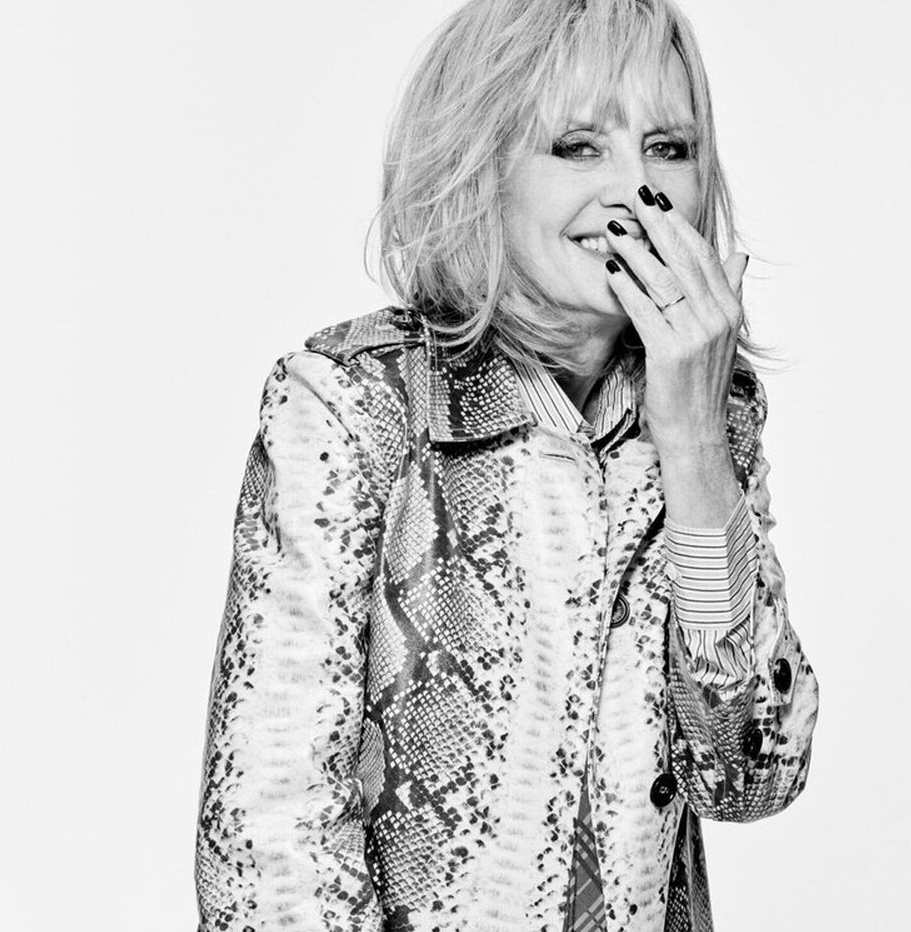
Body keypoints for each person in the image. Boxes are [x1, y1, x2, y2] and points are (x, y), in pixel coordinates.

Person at [194, 1, 819, 930]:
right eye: (577, 146)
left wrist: (692, 443)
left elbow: (750, 775)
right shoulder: (355, 402)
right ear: (481, 168)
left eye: (669, 148)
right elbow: (269, 851)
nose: (633, 189)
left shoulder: (710, 414)